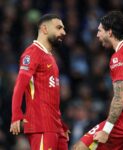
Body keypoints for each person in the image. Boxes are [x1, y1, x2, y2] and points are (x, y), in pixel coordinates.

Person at [72, 11, 123, 150]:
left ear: (110, 32)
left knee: (79, 147)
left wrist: (106, 130)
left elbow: (119, 98)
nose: (97, 35)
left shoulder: (120, 56)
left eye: (100, 30)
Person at [10, 14, 69, 150]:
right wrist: (16, 115)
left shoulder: (50, 57)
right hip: (41, 125)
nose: (63, 32)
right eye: (59, 28)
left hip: (56, 127)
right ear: (44, 29)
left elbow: (51, 96)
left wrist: (60, 123)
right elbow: (20, 85)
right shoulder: (32, 53)